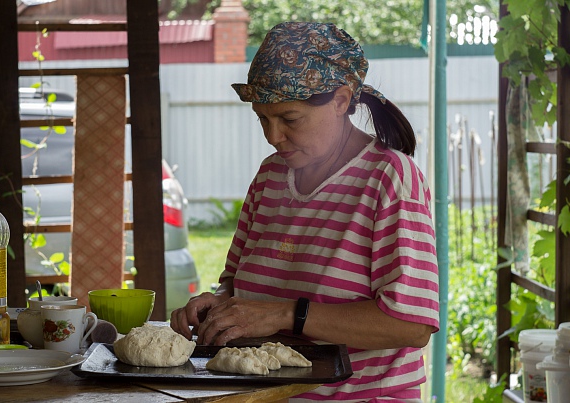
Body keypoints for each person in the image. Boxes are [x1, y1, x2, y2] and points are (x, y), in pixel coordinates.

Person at [171, 21, 439, 402]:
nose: (272, 136)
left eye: (289, 119)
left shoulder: (389, 179)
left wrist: (285, 314)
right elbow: (236, 283)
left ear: (342, 101)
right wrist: (218, 305)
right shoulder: (270, 175)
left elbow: (412, 325)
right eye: (263, 118)